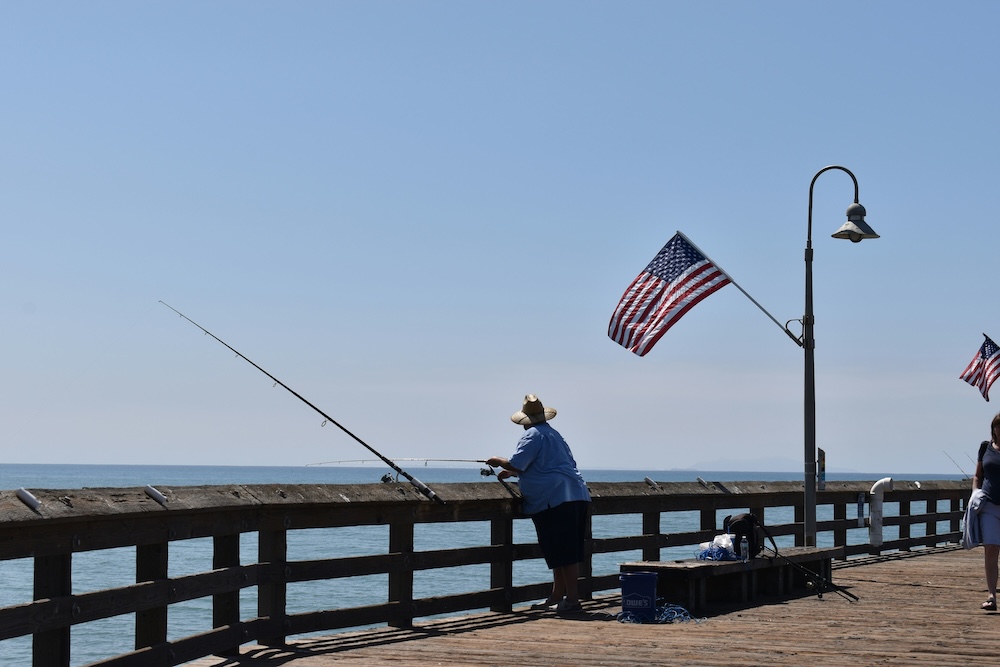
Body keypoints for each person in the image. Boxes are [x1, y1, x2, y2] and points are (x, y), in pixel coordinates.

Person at [486, 394, 591, 613]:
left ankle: (572, 601)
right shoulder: (554, 434)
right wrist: (515, 472)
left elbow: (517, 461)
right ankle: (556, 597)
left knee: (564, 551)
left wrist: (497, 461)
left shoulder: (532, 435)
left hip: (555, 499)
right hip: (576, 494)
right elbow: (551, 465)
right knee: (559, 550)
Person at [973, 412, 1000, 611]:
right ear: (994, 429)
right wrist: (975, 494)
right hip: (989, 504)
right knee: (991, 548)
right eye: (999, 426)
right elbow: (978, 475)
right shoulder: (985, 447)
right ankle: (991, 595)